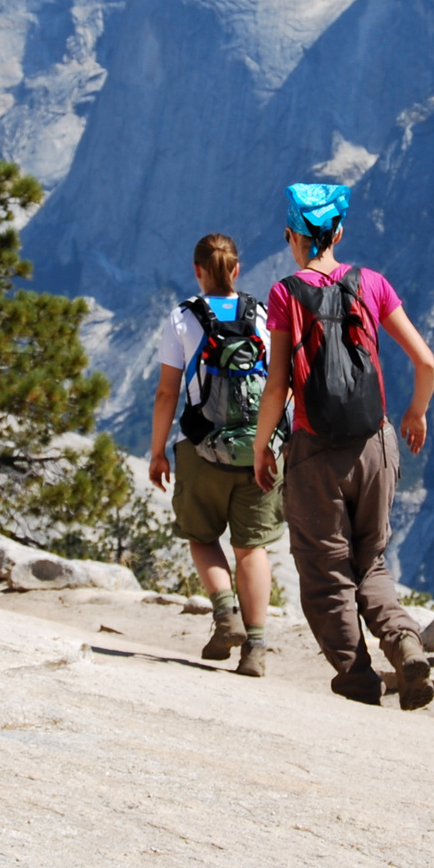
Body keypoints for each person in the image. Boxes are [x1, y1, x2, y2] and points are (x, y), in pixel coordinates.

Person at [253, 184, 434, 709]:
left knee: (325, 569)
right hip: (376, 442)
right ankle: (404, 643)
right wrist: (415, 413)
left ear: (292, 236)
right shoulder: (372, 283)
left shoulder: (285, 293)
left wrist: (263, 446)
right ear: (339, 232)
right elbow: (425, 362)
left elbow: (277, 383)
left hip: (314, 452)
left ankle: (357, 677)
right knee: (372, 560)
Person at [149, 233, 284, 677]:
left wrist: (158, 453)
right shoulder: (264, 315)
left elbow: (168, 392)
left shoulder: (182, 319)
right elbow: (282, 384)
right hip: (258, 452)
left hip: (201, 448)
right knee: (252, 548)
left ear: (197, 271)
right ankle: (257, 650)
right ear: (237, 270)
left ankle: (225, 614)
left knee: (202, 536)